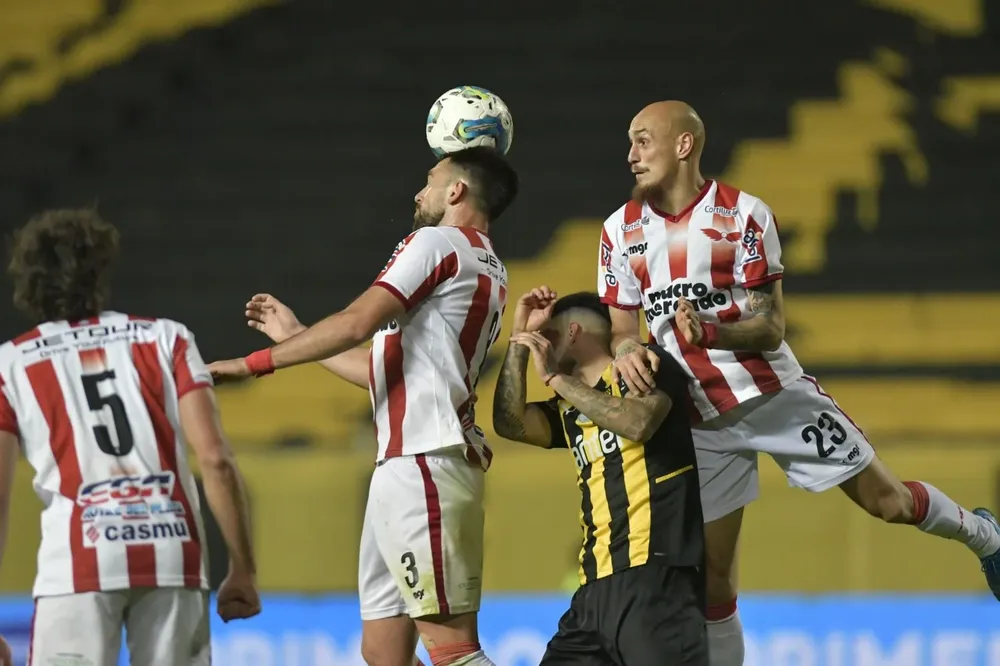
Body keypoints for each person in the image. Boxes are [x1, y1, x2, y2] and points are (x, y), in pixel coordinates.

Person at [600, 100, 1000, 665]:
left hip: (775, 399)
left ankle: (984, 536)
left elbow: (770, 326)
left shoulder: (743, 216)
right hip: (697, 419)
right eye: (630, 141)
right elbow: (621, 329)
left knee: (887, 503)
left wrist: (711, 329)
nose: (631, 154)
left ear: (683, 145)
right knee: (714, 582)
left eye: (643, 140)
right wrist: (625, 353)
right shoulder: (619, 231)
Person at [210, 146, 519, 666]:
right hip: (410, 462)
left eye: (430, 178)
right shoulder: (487, 264)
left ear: (456, 191)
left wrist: (256, 363)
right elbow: (381, 372)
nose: (419, 193)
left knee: (453, 651)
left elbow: (358, 321)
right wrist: (300, 336)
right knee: (383, 654)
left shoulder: (436, 242)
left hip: (423, 459)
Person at [0, 209, 259, 666]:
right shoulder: (167, 338)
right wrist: (243, 568)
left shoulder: (11, 363)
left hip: (75, 564)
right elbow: (216, 459)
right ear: (100, 269)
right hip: (172, 551)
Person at [492, 288, 708, 666]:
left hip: (656, 578)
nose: (542, 343)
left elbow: (638, 423)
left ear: (573, 332)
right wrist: (518, 340)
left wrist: (557, 378)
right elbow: (509, 424)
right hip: (592, 590)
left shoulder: (649, 363)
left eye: (548, 335)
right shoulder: (569, 408)